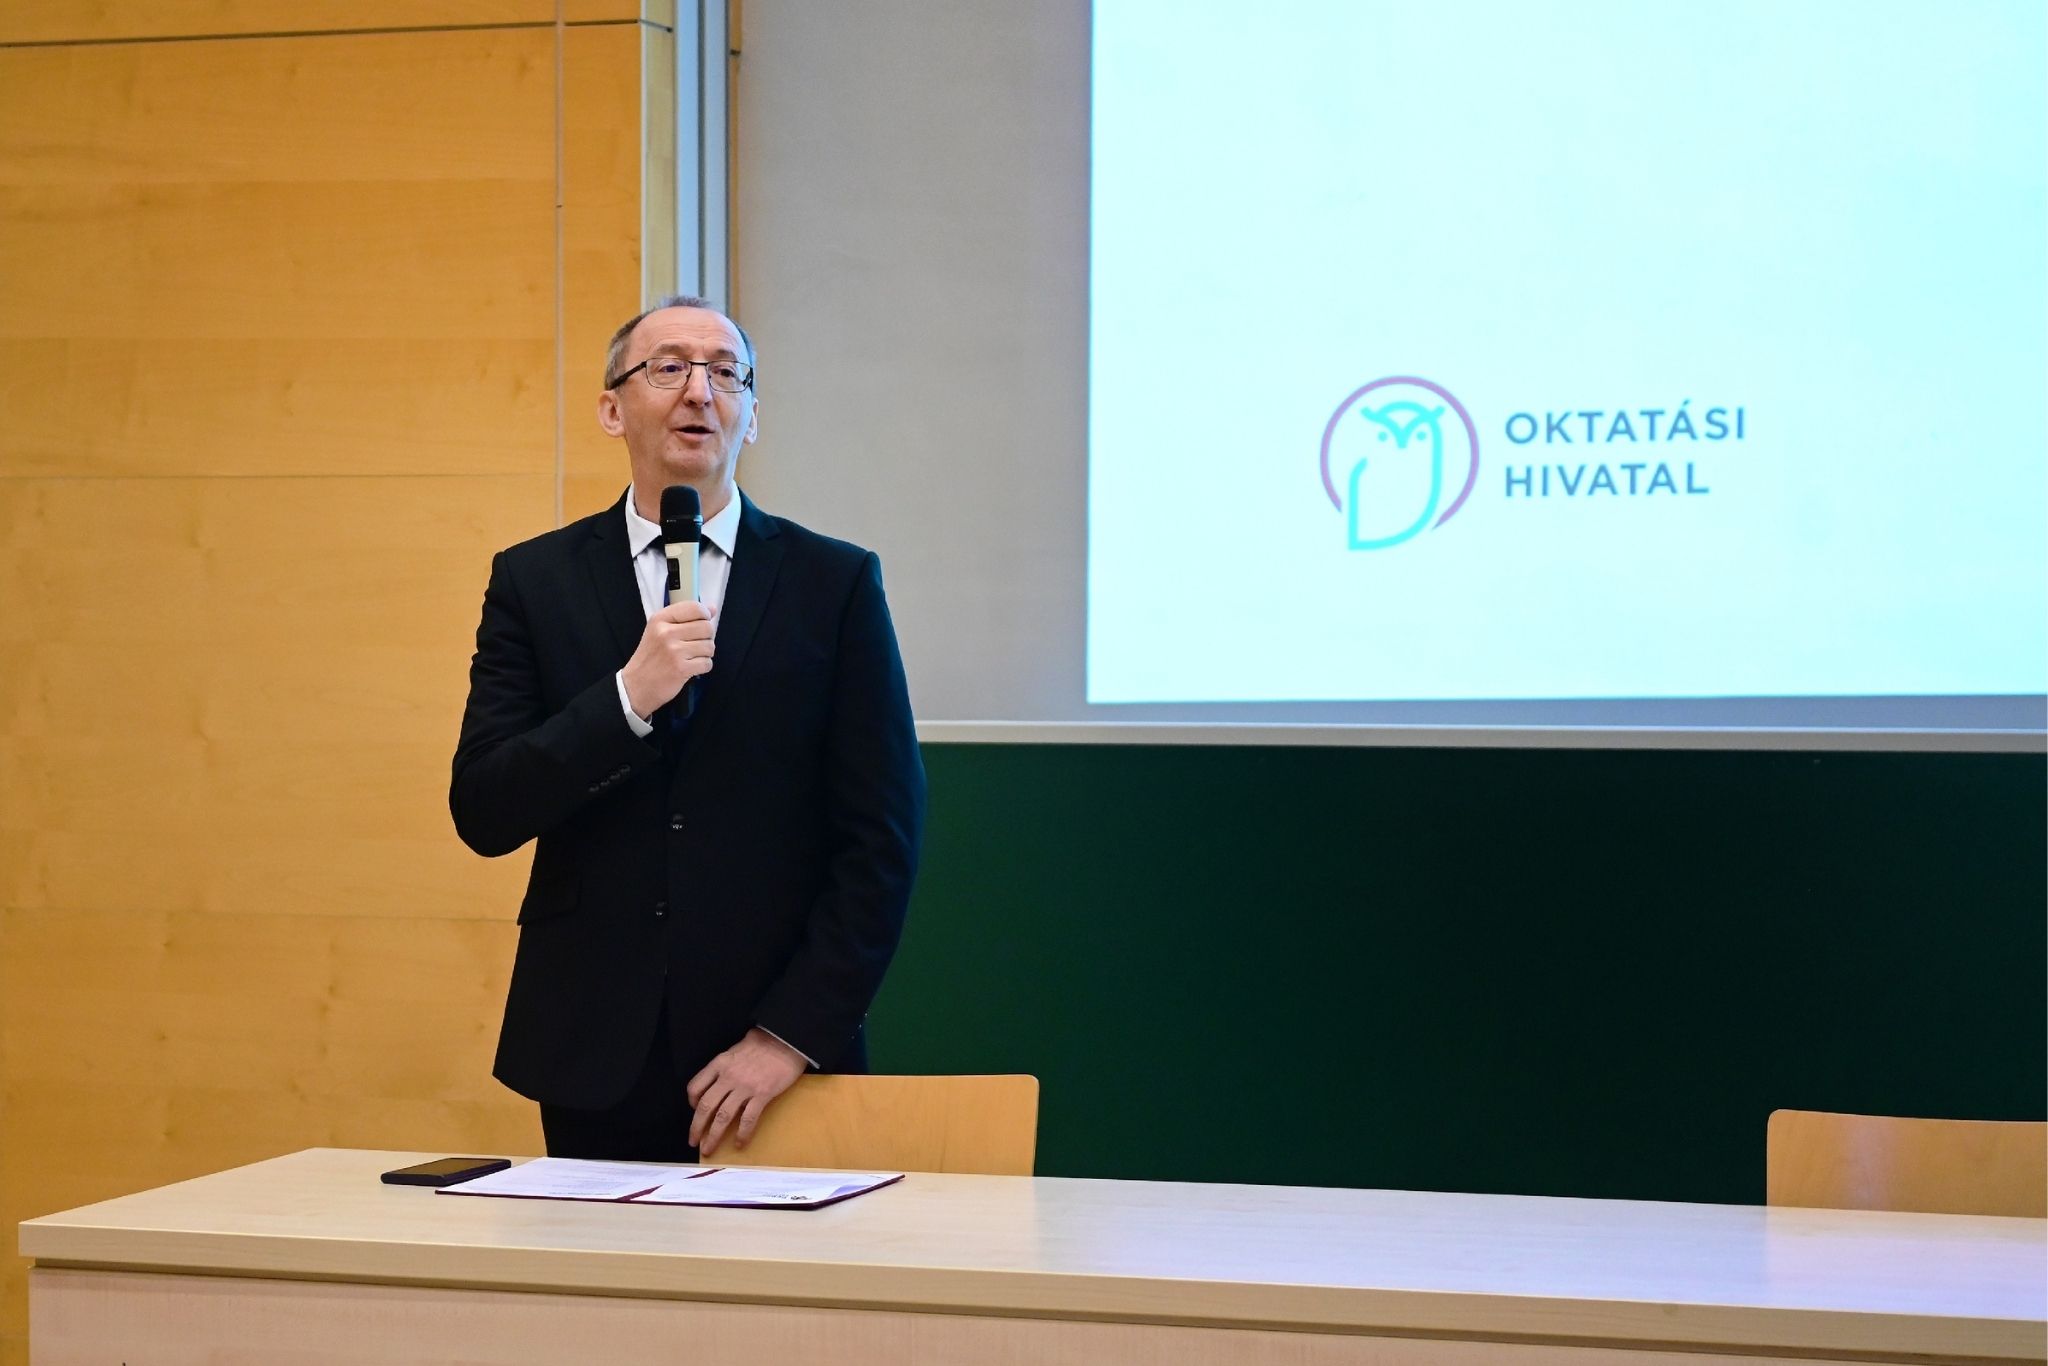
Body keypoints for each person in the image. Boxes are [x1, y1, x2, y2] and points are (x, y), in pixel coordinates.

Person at [450, 295, 924, 1162]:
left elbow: (881, 840)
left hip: (776, 1057)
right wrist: (626, 700)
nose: (699, 391)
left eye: (725, 373)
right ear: (612, 409)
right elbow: (485, 807)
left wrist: (788, 1036)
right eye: (668, 367)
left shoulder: (835, 583)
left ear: (752, 416)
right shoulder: (534, 581)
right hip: (594, 1047)